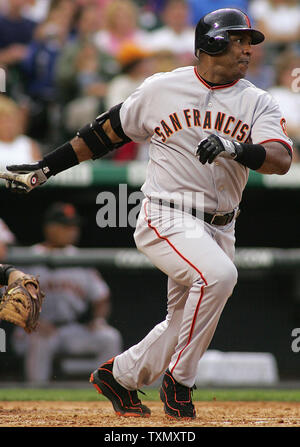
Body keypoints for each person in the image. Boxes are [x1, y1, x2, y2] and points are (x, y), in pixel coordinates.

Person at [4, 8, 292, 418]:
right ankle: (180, 381)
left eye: (249, 41)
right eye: (239, 39)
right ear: (210, 42)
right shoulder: (162, 88)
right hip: (166, 213)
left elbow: (280, 159)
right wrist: (46, 168)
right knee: (220, 276)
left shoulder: (257, 100)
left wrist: (236, 148)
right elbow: (102, 133)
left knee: (181, 324)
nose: (248, 49)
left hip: (222, 225)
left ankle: (118, 376)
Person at [12, 202, 123, 384]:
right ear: (49, 227)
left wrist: (98, 320)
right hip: (32, 329)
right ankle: (35, 395)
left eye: (74, 226)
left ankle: (105, 394)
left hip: (68, 328)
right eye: (66, 226)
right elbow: (10, 299)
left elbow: (101, 297)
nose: (72, 231)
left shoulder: (79, 259)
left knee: (109, 337)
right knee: (40, 340)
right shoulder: (30, 256)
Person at [0, 95, 42, 171]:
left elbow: (40, 172)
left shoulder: (29, 144)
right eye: (4, 121)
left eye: (11, 120)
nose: (8, 125)